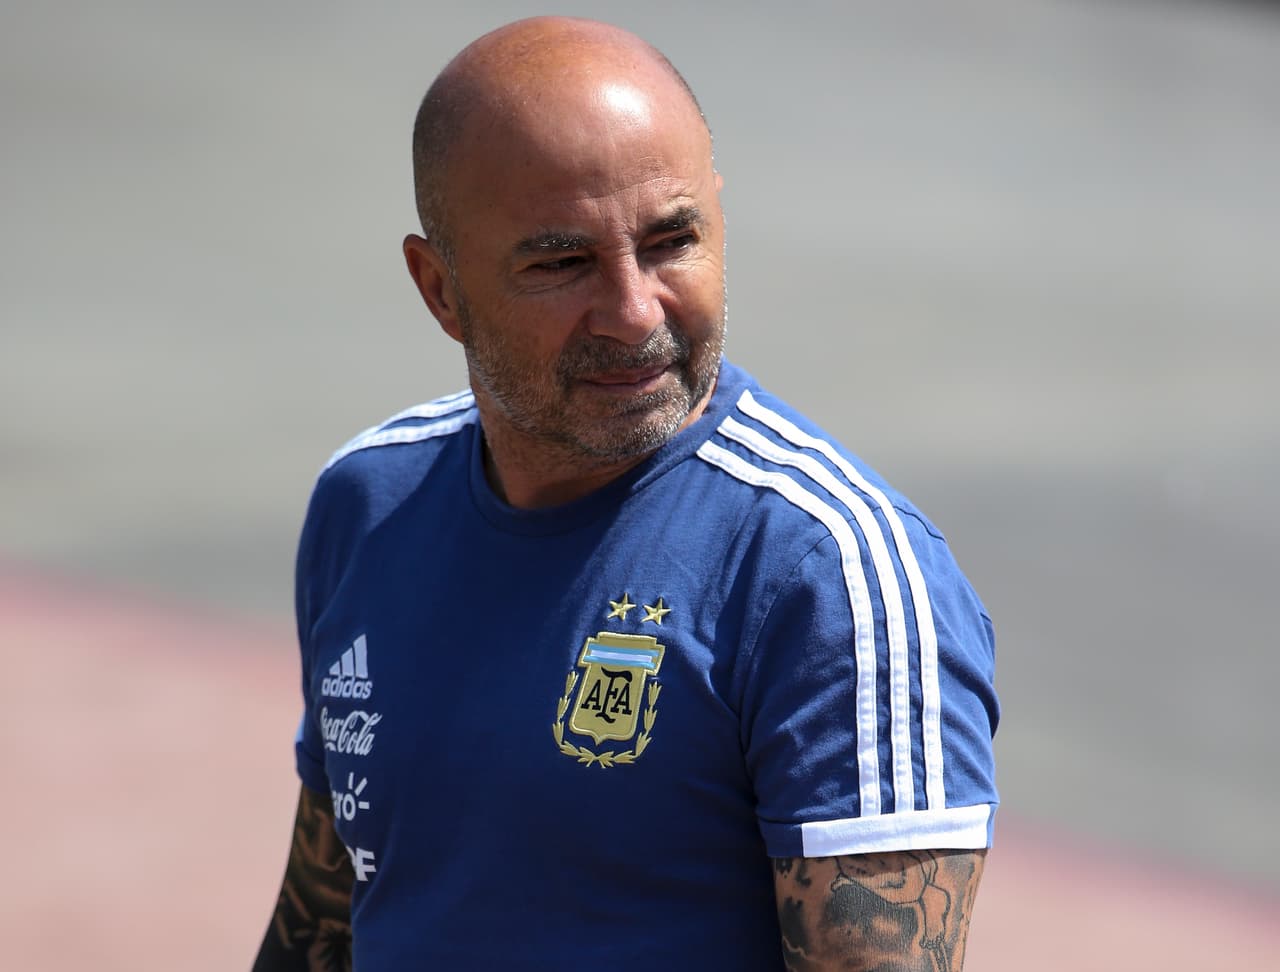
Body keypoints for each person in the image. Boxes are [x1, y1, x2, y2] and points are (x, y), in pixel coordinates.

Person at [253, 15, 998, 972]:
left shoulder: (832, 580)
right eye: (561, 263)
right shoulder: (369, 504)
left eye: (671, 240)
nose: (634, 310)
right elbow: (322, 928)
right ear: (439, 288)